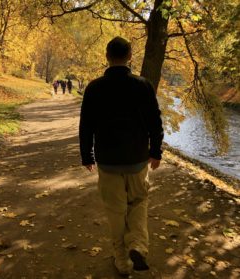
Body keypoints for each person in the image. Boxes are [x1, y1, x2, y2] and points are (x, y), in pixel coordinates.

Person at [79, 37, 163, 276]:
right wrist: (156, 152)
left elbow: (86, 126)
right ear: (130, 56)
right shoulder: (143, 85)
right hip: (137, 159)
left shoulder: (94, 88)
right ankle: (137, 244)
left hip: (108, 161)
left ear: (107, 56)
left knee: (115, 211)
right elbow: (155, 123)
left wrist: (87, 156)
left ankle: (122, 261)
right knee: (138, 203)